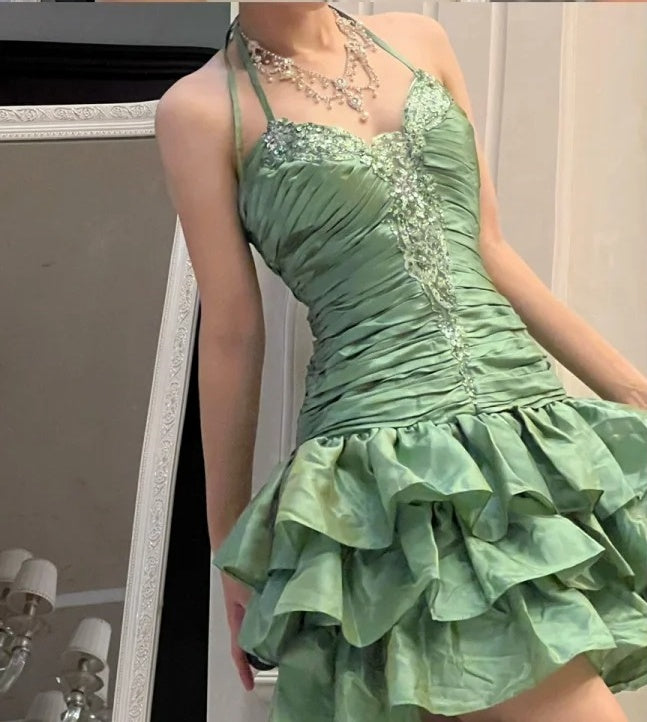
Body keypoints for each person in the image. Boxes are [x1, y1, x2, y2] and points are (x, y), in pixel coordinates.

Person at [154, 3, 647, 721]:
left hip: (524, 444)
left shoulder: (418, 38)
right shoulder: (200, 109)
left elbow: (489, 248)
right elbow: (233, 330)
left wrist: (631, 391)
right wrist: (228, 542)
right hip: (393, 473)